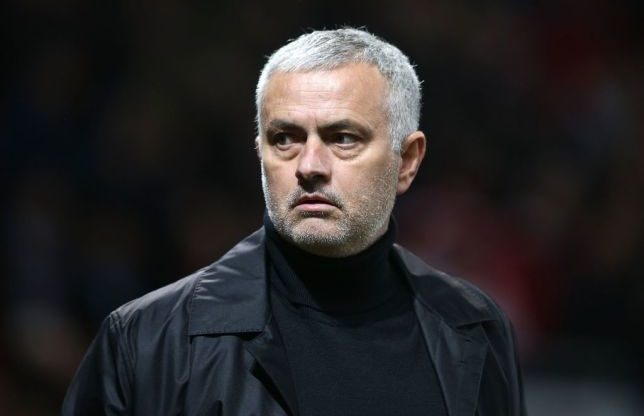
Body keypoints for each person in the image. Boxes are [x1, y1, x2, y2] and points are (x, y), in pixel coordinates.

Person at [63, 28, 525, 415]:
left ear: (406, 161)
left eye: (343, 138)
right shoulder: (148, 341)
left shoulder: (475, 327)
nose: (309, 165)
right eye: (285, 138)